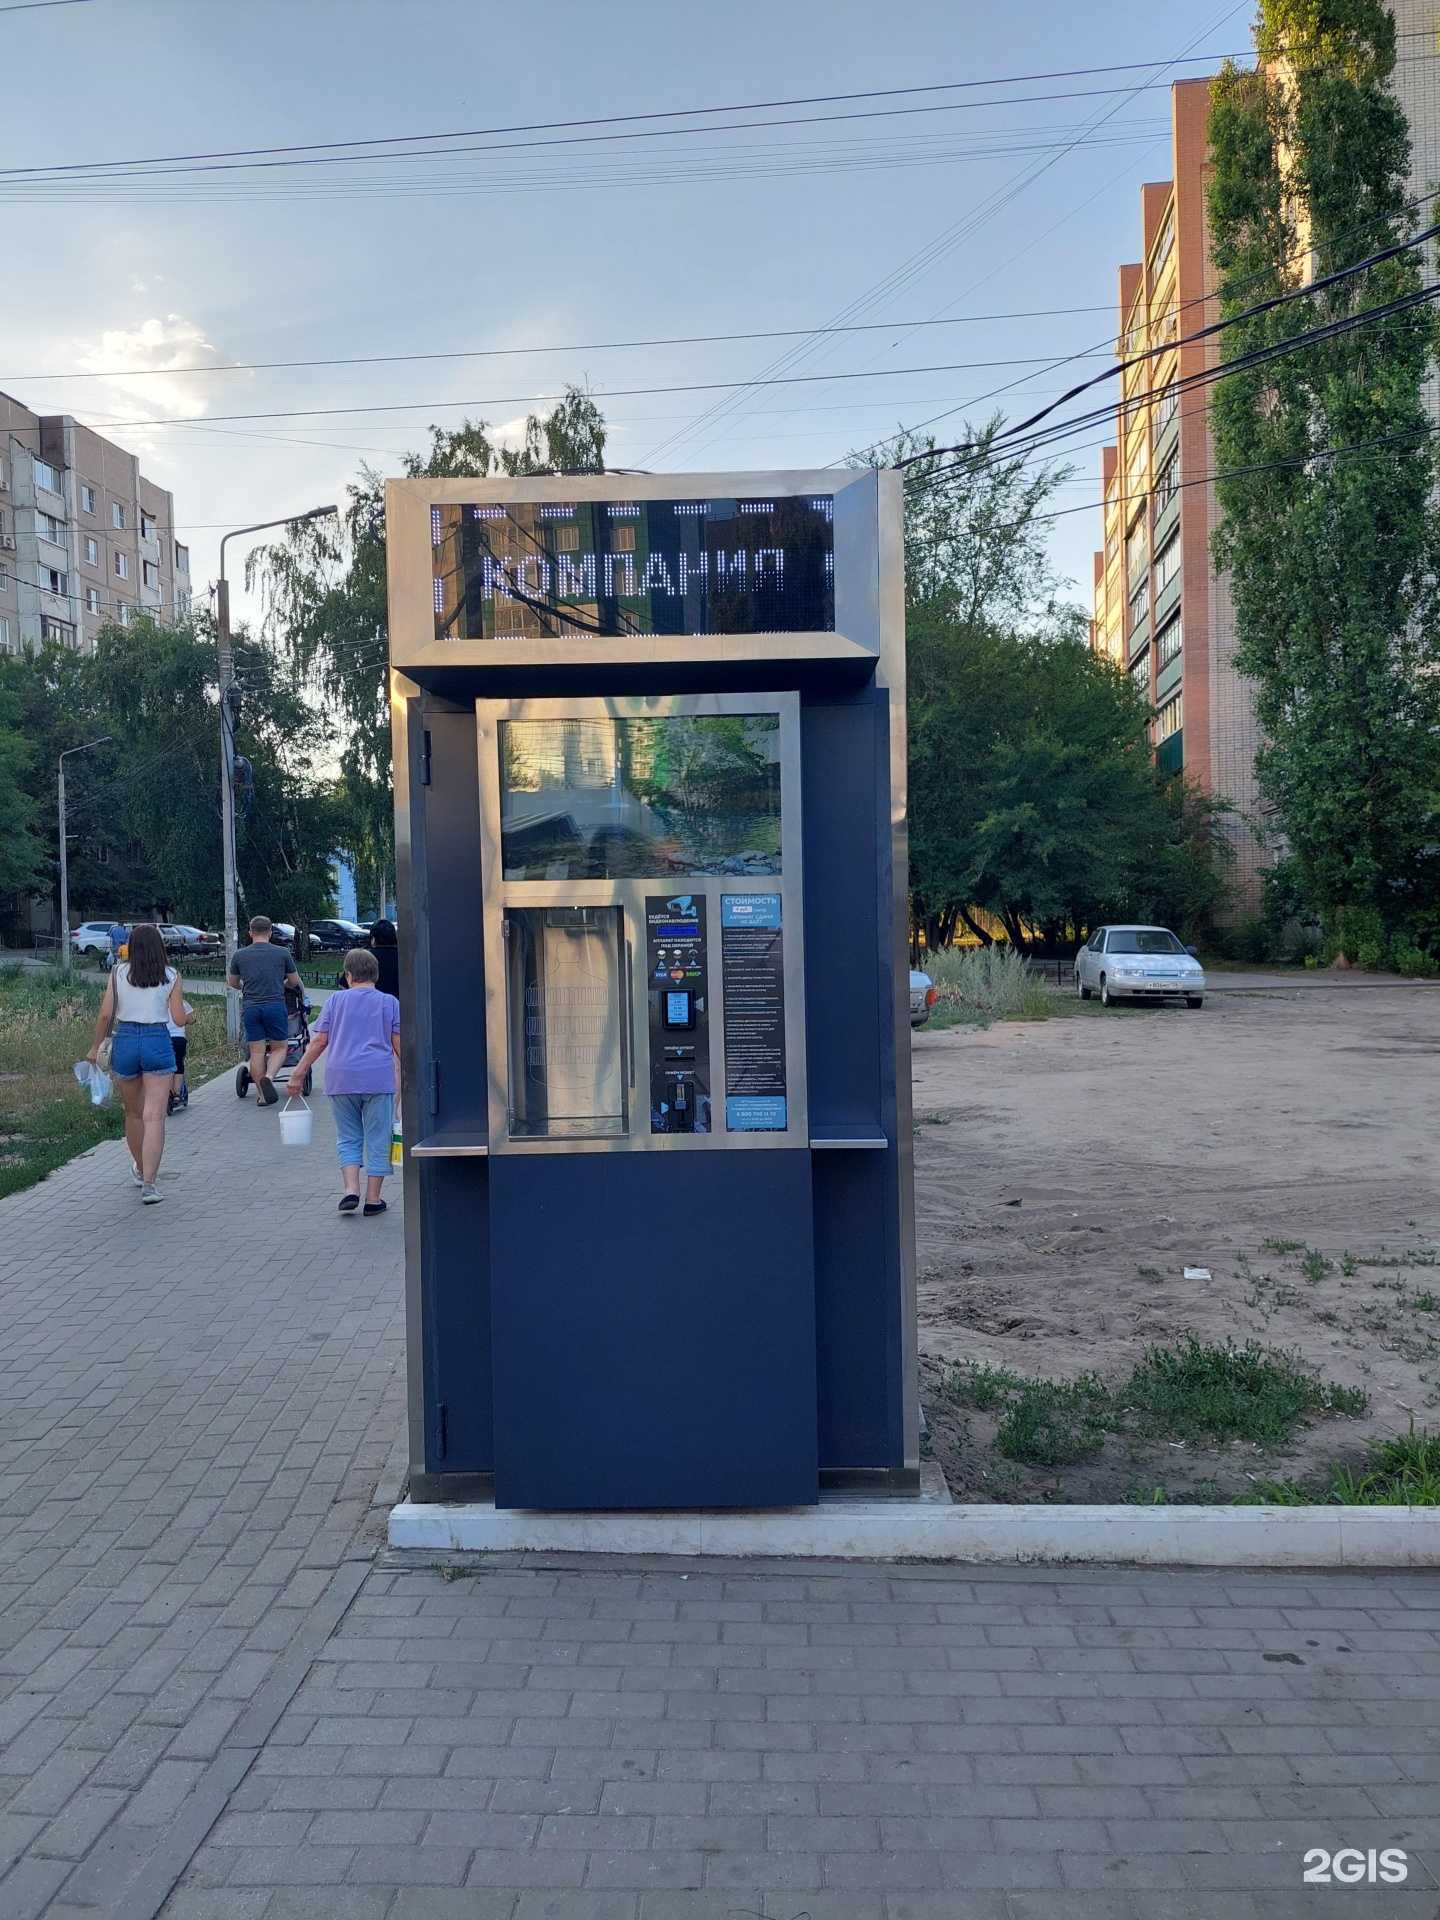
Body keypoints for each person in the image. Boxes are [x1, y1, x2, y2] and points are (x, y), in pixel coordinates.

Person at [286, 946, 400, 1217]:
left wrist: (298, 1072)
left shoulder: (334, 1002)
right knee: (379, 1137)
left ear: (348, 976)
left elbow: (319, 1041)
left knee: (348, 1136)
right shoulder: (389, 1003)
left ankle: (351, 1190)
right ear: (376, 974)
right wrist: (409, 1080)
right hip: (377, 1079)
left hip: (340, 1078)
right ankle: (373, 1199)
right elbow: (399, 1047)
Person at [87, 921, 185, 1205]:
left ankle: (140, 1170)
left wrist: (95, 1046)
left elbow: (106, 1015)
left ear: (131, 946)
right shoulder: (171, 975)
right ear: (159, 947)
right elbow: (178, 1018)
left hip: (126, 1039)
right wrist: (190, 1018)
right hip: (157, 1040)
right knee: (154, 1116)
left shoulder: (118, 972)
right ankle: (150, 1186)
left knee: (133, 1114)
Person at [227, 914, 302, 1106]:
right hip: (275, 1006)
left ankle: (261, 1095)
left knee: (257, 1052)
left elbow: (233, 983)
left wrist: (247, 985)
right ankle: (268, 1076)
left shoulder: (239, 955)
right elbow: (294, 981)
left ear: (250, 932)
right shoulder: (282, 953)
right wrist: (280, 983)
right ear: (270, 932)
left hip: (251, 1007)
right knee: (279, 1048)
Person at [167, 991, 194, 1115]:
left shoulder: (159, 1003)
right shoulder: (183, 1003)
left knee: (165, 1066)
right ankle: (177, 1094)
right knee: (178, 1065)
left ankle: (165, 1092)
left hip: (162, 1038)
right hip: (178, 1038)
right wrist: (191, 1020)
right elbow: (190, 1019)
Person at [368, 919, 400, 998]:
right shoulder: (405, 957)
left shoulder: (364, 957)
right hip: (402, 1006)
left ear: (373, 939)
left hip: (372, 1005)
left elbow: (344, 985)